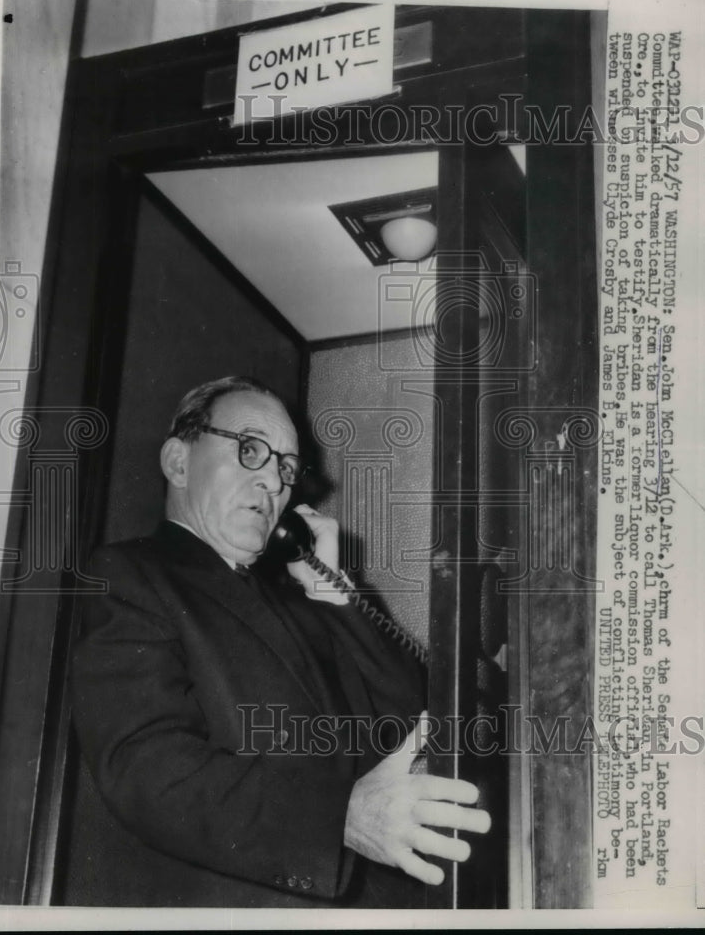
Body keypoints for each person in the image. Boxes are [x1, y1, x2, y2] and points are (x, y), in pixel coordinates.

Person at [71, 376, 490, 908]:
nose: (273, 481)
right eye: (251, 450)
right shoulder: (132, 575)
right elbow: (143, 765)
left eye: (287, 467)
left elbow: (410, 718)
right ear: (179, 462)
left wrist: (333, 591)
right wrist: (342, 817)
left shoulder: (299, 598)